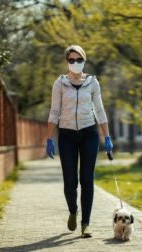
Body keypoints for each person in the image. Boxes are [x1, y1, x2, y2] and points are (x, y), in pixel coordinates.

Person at [45, 45, 113, 238]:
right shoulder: (60, 83)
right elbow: (54, 112)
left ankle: (86, 224)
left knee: (87, 180)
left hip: (89, 133)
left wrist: (106, 136)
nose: (75, 63)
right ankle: (73, 210)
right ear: (67, 62)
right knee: (70, 182)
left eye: (79, 60)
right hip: (66, 135)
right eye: (71, 60)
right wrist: (49, 138)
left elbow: (99, 110)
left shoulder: (92, 82)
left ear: (84, 60)